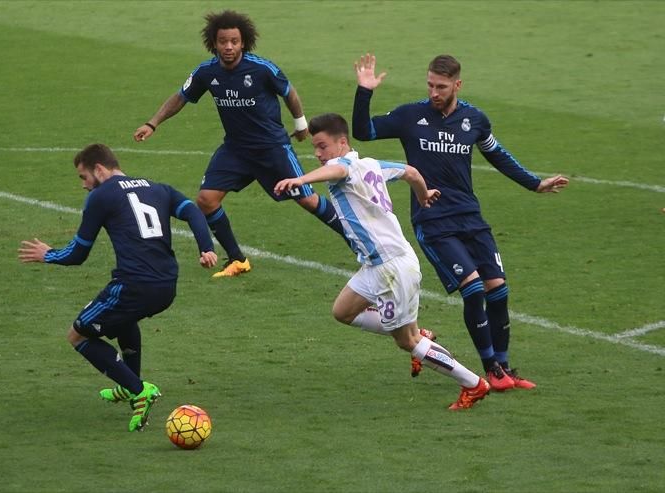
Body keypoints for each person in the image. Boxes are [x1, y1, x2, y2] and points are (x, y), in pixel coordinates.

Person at [351, 53, 569, 390]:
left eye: (441, 87)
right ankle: (492, 372)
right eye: (430, 85)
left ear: (457, 85)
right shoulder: (411, 116)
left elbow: (497, 153)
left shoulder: (474, 120)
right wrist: (364, 91)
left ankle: (505, 367)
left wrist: (534, 183)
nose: (434, 92)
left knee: (498, 290)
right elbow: (363, 132)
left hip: (471, 218)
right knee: (474, 289)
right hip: (434, 220)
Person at [274, 113, 490, 410]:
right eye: (315, 148)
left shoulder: (345, 166)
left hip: (391, 268)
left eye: (322, 147)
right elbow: (412, 172)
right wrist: (424, 195)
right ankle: (417, 332)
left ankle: (473, 384)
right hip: (376, 266)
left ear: (342, 143)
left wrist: (300, 178)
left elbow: (337, 171)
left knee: (407, 342)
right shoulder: (373, 164)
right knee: (342, 311)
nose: (318, 154)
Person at [18, 143, 218, 431]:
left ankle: (139, 390)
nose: (84, 186)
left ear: (99, 169)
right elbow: (194, 213)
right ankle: (128, 387)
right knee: (124, 319)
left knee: (77, 334)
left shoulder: (101, 196)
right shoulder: (158, 188)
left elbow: (78, 254)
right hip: (166, 286)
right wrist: (206, 248)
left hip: (133, 285)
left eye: (84, 177)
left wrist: (47, 254)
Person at [133, 10, 346, 278]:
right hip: (235, 149)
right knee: (207, 200)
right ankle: (237, 259)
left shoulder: (261, 69)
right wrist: (152, 123)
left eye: (234, 41)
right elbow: (181, 97)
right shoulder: (206, 72)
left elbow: (288, 91)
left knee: (307, 200)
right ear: (214, 42)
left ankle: (355, 238)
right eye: (223, 41)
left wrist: (301, 124)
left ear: (243, 42)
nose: (229, 47)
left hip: (272, 149)